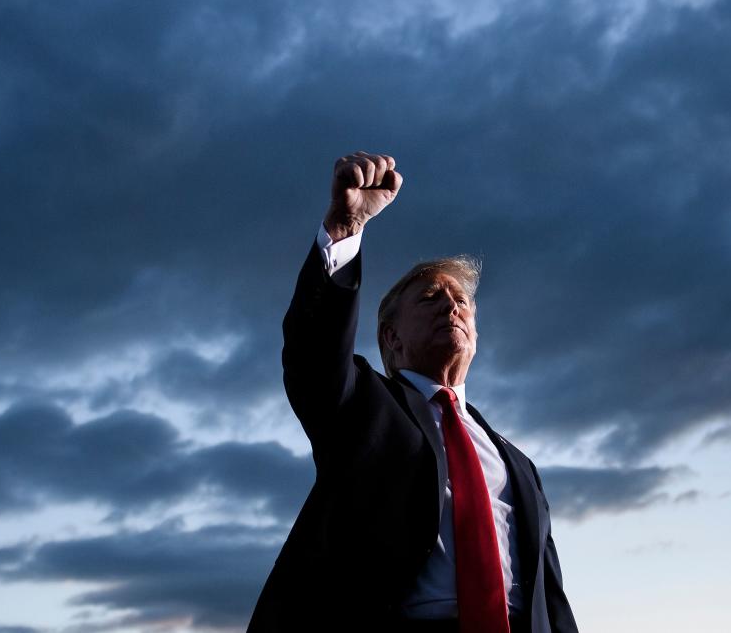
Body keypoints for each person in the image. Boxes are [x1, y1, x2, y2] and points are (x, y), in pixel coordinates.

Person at [248, 152, 578, 633]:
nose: (452, 306)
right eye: (429, 299)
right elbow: (313, 354)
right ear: (391, 338)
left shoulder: (517, 463)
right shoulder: (363, 407)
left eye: (461, 301)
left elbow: (550, 592)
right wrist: (345, 227)